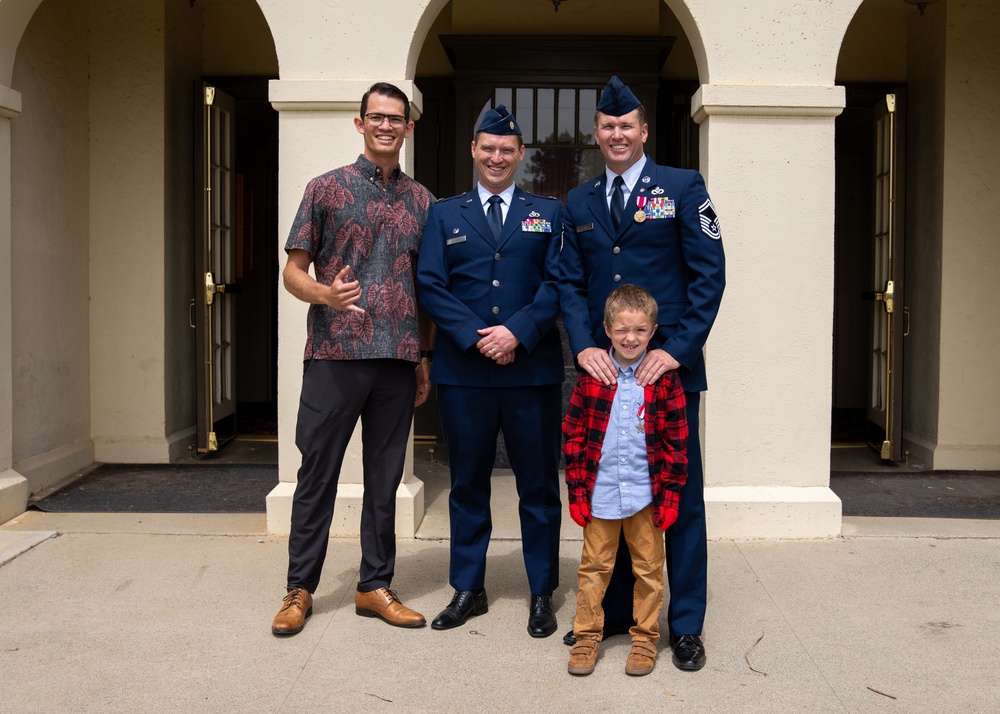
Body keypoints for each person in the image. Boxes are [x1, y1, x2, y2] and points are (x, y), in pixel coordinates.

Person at [559, 76, 726, 671]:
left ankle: (683, 626)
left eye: (627, 125)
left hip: (665, 375)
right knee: (614, 493)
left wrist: (676, 350)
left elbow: (710, 275)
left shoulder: (682, 186)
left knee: (674, 497)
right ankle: (619, 618)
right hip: (604, 376)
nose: (617, 134)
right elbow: (569, 283)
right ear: (597, 134)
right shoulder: (578, 202)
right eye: (607, 127)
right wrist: (583, 346)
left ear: (644, 131)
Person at [271, 82, 434, 637]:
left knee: (385, 478)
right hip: (335, 356)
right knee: (317, 473)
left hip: (397, 358)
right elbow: (293, 271)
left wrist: (424, 357)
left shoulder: (423, 201)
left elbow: (425, 286)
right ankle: (299, 589)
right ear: (360, 123)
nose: (387, 126)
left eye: (397, 119)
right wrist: (325, 294)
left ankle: (374, 585)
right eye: (377, 117)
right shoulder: (325, 189)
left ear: (408, 128)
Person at [417, 105, 564, 638]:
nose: (497, 156)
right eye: (488, 147)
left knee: (540, 488)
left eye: (507, 149)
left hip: (531, 373)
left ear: (520, 154)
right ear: (474, 151)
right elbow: (431, 284)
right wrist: (480, 336)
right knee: (467, 485)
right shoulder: (444, 214)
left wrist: (517, 333)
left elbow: (559, 282)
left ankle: (542, 591)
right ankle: (468, 588)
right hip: (466, 373)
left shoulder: (548, 212)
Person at [564, 284, 688, 677]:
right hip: (600, 495)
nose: (630, 338)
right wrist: (577, 491)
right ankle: (586, 636)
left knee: (649, 569)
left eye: (639, 330)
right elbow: (574, 437)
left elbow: (676, 444)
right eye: (621, 330)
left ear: (652, 331)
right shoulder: (593, 377)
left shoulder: (664, 380)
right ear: (606, 329)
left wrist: (669, 498)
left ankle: (645, 639)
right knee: (594, 568)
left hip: (646, 497)